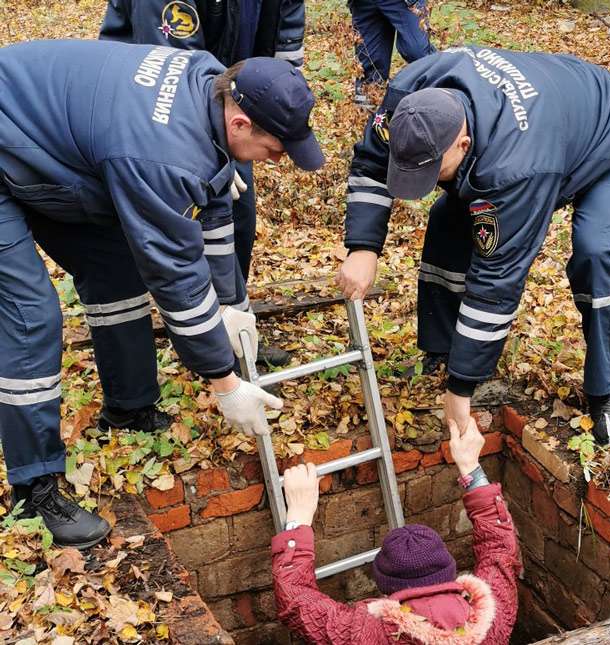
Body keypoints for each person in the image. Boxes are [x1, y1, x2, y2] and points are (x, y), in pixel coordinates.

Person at [0, 40, 324, 548]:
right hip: (16, 144)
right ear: (240, 125)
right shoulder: (162, 153)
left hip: (55, 152)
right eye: (275, 150)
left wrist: (231, 304)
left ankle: (129, 408)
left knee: (113, 272)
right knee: (30, 315)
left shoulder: (213, 82)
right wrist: (224, 382)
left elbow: (212, 209)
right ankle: (34, 488)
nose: (278, 160)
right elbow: (174, 274)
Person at [337, 47, 610, 445]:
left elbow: (497, 280)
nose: (421, 185)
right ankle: (440, 349)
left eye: (431, 171)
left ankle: (604, 389)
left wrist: (461, 388)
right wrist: (363, 248)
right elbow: (371, 162)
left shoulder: (516, 165)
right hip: (560, 115)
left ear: (463, 143)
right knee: (446, 219)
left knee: (597, 250)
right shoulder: (409, 97)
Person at [98, 0, 304, 398]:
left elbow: (286, 34)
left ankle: (232, 336)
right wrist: (201, 151)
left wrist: (282, 100)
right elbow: (170, 70)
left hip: (237, 102)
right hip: (153, 114)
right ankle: (203, 353)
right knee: (175, 236)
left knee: (237, 220)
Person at [272, 416, 519, 644]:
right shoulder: (490, 616)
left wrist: (298, 517)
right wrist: (471, 468)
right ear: (449, 569)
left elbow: (296, 602)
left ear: (384, 584)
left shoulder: (366, 632)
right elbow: (499, 550)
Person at [349, 0, 434, 108]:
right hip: (364, 4)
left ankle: (444, 99)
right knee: (369, 68)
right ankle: (365, 117)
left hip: (404, 3)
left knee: (418, 52)